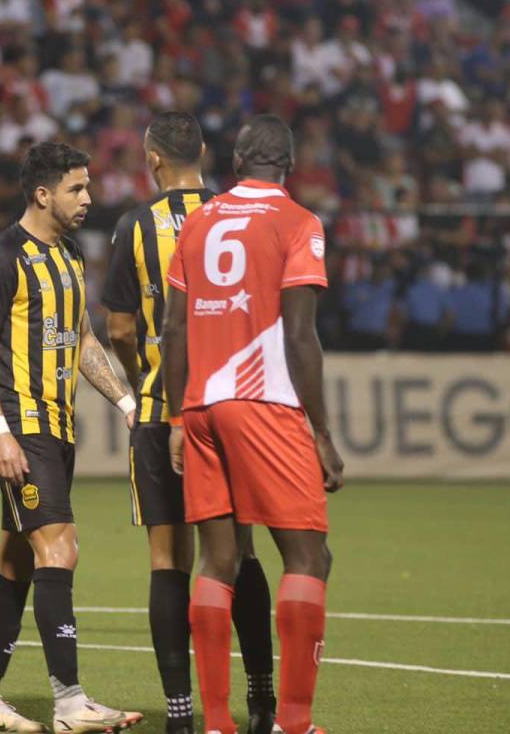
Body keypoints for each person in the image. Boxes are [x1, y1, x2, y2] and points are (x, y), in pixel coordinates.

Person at [161, 115, 344, 734]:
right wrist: (321, 431)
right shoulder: (299, 223)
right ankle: (294, 724)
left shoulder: (199, 222)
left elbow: (174, 328)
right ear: (288, 164)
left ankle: (217, 723)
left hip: (203, 406)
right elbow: (299, 335)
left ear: (235, 160)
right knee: (308, 557)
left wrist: (177, 416)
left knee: (217, 561)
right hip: (263, 400)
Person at [102, 111, 276, 734]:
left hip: (158, 411)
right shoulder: (244, 218)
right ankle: (262, 701)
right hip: (233, 405)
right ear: (205, 151)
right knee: (240, 553)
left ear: (151, 160)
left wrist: (144, 369)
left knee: (167, 559)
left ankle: (181, 714)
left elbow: (120, 327)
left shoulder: (135, 226)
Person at [0, 141, 143, 734]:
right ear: (43, 194)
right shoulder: (1, 256)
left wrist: (124, 399)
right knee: (60, 549)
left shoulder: (68, 255)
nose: (89, 199)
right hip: (23, 428)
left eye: (88, 188)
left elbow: (85, 340)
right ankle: (70, 702)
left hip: (58, 429)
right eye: (77, 189)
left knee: (15, 561)